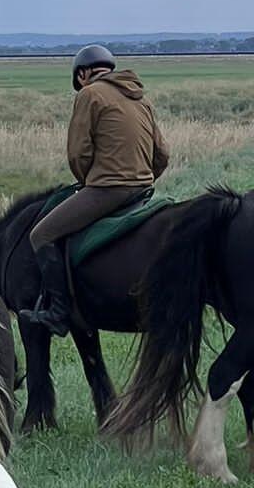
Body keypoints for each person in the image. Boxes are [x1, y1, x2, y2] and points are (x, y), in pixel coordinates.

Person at [22, 45, 169, 336]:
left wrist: (89, 183)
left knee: (41, 234)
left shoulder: (89, 94)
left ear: (84, 73)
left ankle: (58, 312)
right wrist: (144, 179)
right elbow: (162, 154)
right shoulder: (141, 99)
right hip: (143, 189)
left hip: (108, 189)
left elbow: (79, 153)